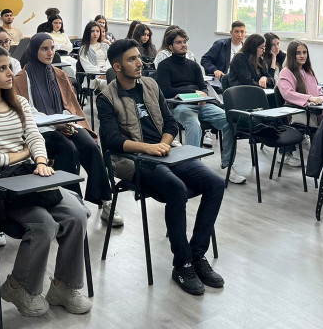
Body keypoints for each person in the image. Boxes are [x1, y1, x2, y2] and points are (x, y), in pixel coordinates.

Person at [0, 44, 92, 317]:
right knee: (44, 224)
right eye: (2, 68)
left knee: (77, 213)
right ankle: (20, 286)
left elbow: (35, 137)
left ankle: (64, 286)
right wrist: (20, 153)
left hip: (30, 175)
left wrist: (40, 161)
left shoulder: (20, 103)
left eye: (10, 67)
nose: (10, 73)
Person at [98, 39, 226, 295]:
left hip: (164, 152)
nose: (139, 63)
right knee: (176, 189)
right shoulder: (106, 96)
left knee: (215, 183)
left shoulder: (150, 84)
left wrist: (165, 144)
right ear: (117, 66)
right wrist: (148, 148)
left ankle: (197, 255)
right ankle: (182, 263)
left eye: (139, 58)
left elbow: (169, 124)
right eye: (132, 59)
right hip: (132, 161)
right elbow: (111, 141)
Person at [13, 33, 121, 227]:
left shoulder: (58, 73)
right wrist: (55, 124)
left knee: (90, 145)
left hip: (64, 122)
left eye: (52, 48)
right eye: (44, 48)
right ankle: (72, 202)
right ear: (34, 50)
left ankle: (106, 200)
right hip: (41, 130)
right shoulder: (21, 78)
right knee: (68, 149)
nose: (50, 52)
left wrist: (69, 122)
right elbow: (26, 112)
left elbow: (70, 104)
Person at [155, 29, 243, 183]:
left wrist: (201, 94)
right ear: (170, 47)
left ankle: (229, 165)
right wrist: (192, 91)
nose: (183, 45)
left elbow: (202, 87)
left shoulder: (193, 65)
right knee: (194, 125)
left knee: (230, 121)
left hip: (201, 105)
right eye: (178, 42)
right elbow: (166, 90)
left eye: (184, 42)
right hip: (178, 106)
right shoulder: (164, 66)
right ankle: (193, 167)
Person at [277, 40, 323, 168]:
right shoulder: (286, 72)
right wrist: (310, 98)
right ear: (291, 55)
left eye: (304, 52)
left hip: (313, 110)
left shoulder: (309, 72)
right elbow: (288, 94)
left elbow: (319, 93)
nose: (302, 56)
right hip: (296, 112)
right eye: (298, 53)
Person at [78, 21, 110, 90]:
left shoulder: (105, 46)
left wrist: (106, 73)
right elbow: (88, 67)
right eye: (92, 31)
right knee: (110, 85)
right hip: (93, 78)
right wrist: (100, 74)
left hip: (106, 76)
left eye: (97, 31)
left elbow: (110, 62)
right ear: (88, 33)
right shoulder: (84, 49)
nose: (95, 34)